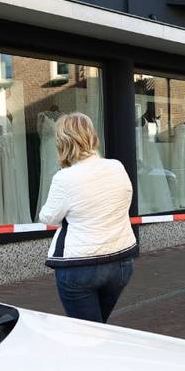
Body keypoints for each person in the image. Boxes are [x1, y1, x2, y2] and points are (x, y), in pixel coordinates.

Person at [38, 113, 136, 323]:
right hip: (121, 262)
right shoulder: (116, 166)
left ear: (63, 142)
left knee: (87, 332)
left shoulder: (64, 178)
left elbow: (48, 217)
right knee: (98, 327)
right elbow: (125, 199)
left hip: (81, 266)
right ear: (92, 136)